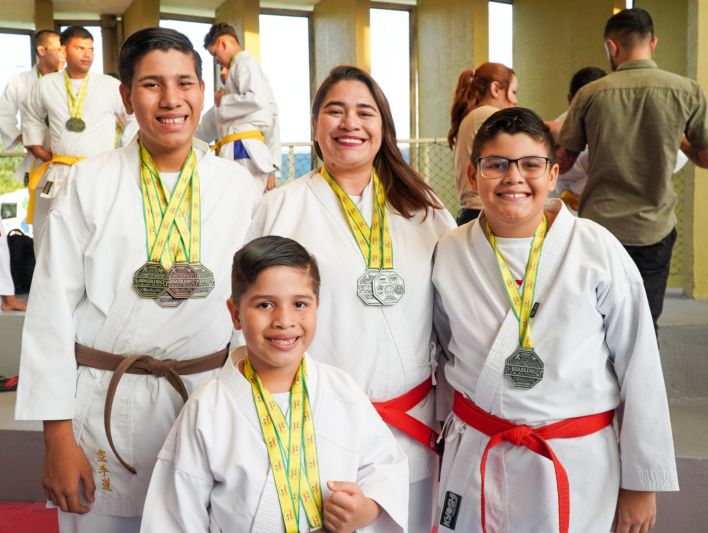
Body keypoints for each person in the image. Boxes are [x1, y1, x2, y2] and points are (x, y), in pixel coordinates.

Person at [14, 27, 258, 533]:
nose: (172, 100)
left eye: (185, 83)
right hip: (108, 404)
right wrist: (57, 438)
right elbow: (51, 310)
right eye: (151, 85)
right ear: (125, 97)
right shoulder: (88, 181)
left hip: (207, 399)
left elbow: (251, 307)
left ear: (202, 89)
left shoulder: (238, 188)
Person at [432, 108, 678, 533]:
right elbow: (443, 350)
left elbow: (639, 364)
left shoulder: (595, 248)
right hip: (478, 451)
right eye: (496, 165)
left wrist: (641, 483)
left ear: (553, 175)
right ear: (474, 176)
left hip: (574, 458)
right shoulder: (450, 251)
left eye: (531, 164)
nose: (514, 178)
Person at [248, 65, 455, 531]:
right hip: (314, 423)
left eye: (365, 112)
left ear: (383, 125)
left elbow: (453, 317)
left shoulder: (423, 209)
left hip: (410, 425)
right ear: (316, 126)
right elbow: (246, 319)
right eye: (334, 111)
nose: (350, 124)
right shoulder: (280, 207)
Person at [141, 235, 409, 532]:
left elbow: (385, 466)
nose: (284, 320)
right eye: (265, 304)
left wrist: (367, 508)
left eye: (299, 304)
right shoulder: (208, 408)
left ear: (317, 306)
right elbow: (177, 515)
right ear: (236, 314)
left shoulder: (341, 390)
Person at [557, 8, 708, 331]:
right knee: (644, 327)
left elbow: (563, 162)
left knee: (594, 322)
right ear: (654, 42)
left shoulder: (589, 94)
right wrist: (682, 142)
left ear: (611, 46)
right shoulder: (686, 91)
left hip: (599, 229)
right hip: (654, 230)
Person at [21, 25, 137, 254]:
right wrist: (37, 147)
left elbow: (132, 116)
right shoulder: (46, 84)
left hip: (100, 170)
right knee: (51, 232)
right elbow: (31, 115)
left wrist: (125, 150)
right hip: (59, 169)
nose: (88, 54)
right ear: (64, 50)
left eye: (91, 49)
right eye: (80, 48)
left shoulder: (110, 85)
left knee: (100, 231)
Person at [550, 66, 689, 213]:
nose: (590, 113)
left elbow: (677, 155)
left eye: (597, 104)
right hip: (574, 212)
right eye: (584, 105)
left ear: (610, 100)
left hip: (626, 211)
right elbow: (550, 178)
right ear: (571, 101)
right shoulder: (556, 131)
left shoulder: (630, 123)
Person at [0, 29, 64, 310]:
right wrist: (27, 141)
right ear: (41, 51)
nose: (63, 53)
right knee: (41, 225)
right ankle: (43, 287)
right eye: (58, 48)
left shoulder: (72, 82)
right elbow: (4, 114)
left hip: (70, 160)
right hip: (40, 161)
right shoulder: (21, 81)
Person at [203, 23, 281, 192]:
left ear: (223, 43)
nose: (216, 61)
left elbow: (257, 99)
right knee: (237, 199)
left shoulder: (245, 62)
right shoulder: (240, 70)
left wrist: (223, 100)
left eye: (214, 54)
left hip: (243, 147)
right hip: (238, 147)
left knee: (244, 198)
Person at [448, 62, 517, 225]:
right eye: (513, 92)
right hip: (481, 213)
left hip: (475, 212)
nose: (515, 100)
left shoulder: (476, 116)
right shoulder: (486, 114)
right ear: (495, 89)